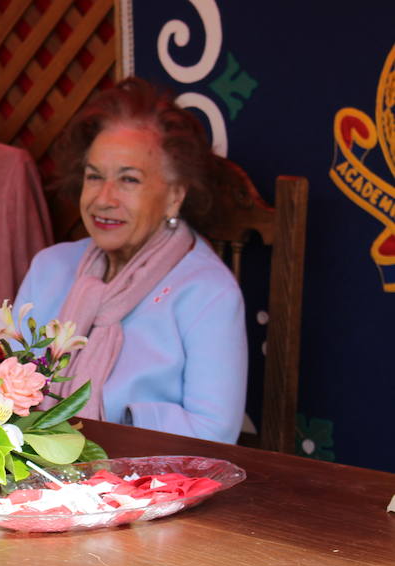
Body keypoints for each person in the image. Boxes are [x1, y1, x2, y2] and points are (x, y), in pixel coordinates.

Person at [14, 77, 247, 444]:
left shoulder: (209, 293)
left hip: (150, 486)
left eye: (129, 180)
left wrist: (117, 424)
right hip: (32, 476)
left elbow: (215, 432)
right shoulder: (50, 267)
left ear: (174, 196)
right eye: (94, 177)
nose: (104, 198)